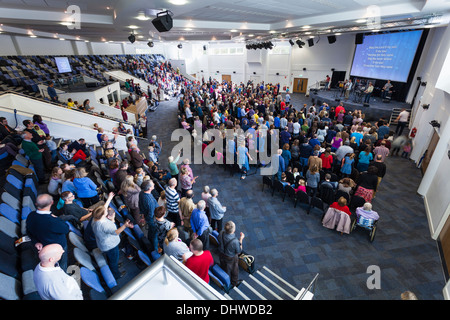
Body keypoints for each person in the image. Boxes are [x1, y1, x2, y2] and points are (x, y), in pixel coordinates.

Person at [92, 192, 133, 280]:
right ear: (103, 215)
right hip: (110, 246)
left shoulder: (95, 218)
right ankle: (116, 275)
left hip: (102, 244)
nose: (107, 210)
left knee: (112, 258)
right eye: (106, 211)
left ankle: (114, 264)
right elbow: (116, 232)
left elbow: (103, 209)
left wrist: (109, 198)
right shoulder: (105, 224)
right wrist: (124, 226)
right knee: (113, 260)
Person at [26, 194, 70, 272]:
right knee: (62, 264)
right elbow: (66, 228)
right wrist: (56, 218)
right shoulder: (52, 221)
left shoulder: (31, 215)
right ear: (52, 203)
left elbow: (28, 231)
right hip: (57, 247)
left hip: (42, 247)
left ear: (36, 204)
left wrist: (36, 242)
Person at [218, 220, 244, 288]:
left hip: (221, 253)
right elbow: (239, 251)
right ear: (233, 230)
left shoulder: (221, 233)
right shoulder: (235, 241)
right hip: (231, 258)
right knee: (234, 270)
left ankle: (224, 276)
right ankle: (234, 283)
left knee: (224, 266)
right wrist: (241, 239)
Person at [138, 180, 159, 252]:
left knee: (151, 232)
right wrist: (148, 219)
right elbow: (151, 213)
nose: (154, 183)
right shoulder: (150, 201)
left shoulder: (141, 193)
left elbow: (141, 206)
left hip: (148, 218)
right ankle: (155, 250)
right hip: (153, 219)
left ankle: (150, 241)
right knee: (155, 235)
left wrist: (143, 217)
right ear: (150, 188)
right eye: (152, 183)